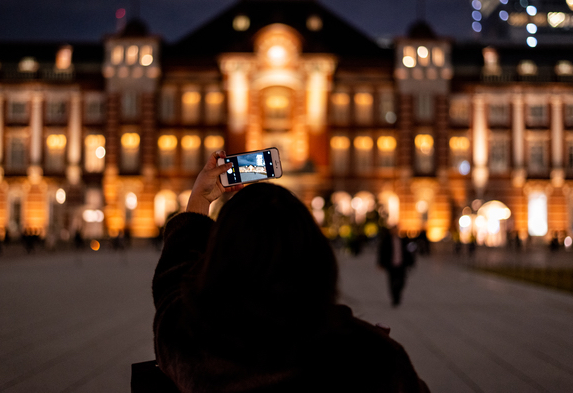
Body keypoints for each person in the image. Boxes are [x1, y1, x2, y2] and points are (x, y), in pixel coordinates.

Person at [152, 151, 429, 393]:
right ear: (316, 260)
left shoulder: (192, 344)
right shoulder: (373, 360)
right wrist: (371, 344)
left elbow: (172, 284)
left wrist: (199, 200)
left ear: (221, 260)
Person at [377, 225, 415, 307]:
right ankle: (394, 298)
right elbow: (382, 252)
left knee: (401, 281)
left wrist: (411, 262)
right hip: (391, 265)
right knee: (392, 282)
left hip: (401, 265)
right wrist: (380, 263)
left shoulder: (403, 240)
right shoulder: (386, 240)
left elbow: (408, 252)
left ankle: (398, 295)